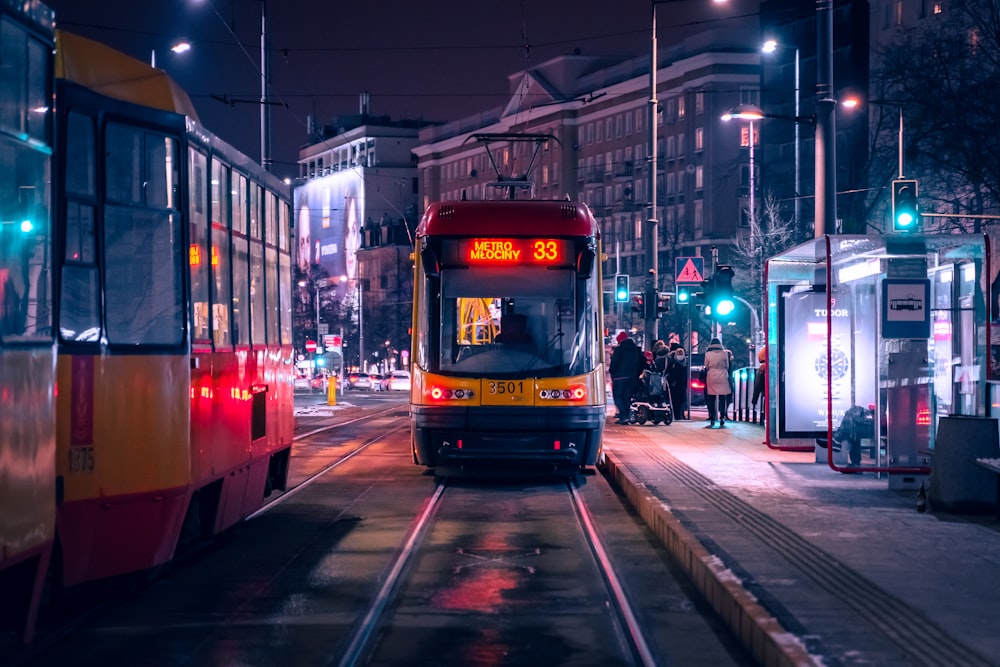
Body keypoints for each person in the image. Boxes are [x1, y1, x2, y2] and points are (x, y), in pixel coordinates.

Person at [609, 331, 643, 424]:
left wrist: (612, 371)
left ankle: (623, 415)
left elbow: (614, 363)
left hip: (619, 377)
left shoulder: (619, 350)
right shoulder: (635, 350)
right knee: (626, 397)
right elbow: (639, 363)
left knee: (618, 397)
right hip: (631, 377)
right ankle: (626, 416)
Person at [703, 336, 732, 427]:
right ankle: (722, 416)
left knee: (711, 397)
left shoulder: (708, 354)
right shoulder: (724, 353)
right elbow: (727, 366)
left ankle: (712, 416)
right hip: (722, 375)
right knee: (722, 397)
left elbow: (706, 366)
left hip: (712, 375)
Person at [665, 342, 688, 420]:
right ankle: (676, 415)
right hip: (674, 385)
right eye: (679, 354)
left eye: (681, 354)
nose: (680, 355)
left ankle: (680, 415)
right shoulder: (672, 363)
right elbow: (668, 373)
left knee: (682, 401)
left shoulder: (685, 363)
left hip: (681, 385)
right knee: (675, 401)